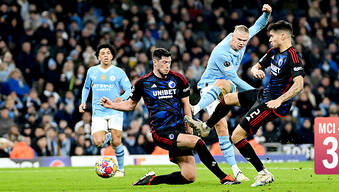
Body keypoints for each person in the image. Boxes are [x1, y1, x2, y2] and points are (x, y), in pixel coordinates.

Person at [186, 20, 305, 187]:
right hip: (264, 94)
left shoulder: (293, 56)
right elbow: (256, 66)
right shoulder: (273, 51)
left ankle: (263, 173)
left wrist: (279, 100)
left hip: (273, 104)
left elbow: (299, 85)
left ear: (283, 36)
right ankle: (206, 127)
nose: (269, 39)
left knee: (236, 136)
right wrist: (256, 70)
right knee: (227, 99)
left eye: (272, 36)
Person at [101, 48, 239, 185]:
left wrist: (189, 125)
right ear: (155, 62)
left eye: (169, 62)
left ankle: (152, 180)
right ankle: (224, 178)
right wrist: (111, 105)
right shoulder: (143, 83)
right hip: (162, 132)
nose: (167, 66)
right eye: (164, 62)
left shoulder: (178, 79)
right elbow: (130, 105)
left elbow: (186, 104)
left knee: (189, 177)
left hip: (180, 129)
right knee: (198, 142)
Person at [187, 4, 272, 181]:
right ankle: (196, 109)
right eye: (239, 40)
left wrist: (266, 13)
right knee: (223, 118)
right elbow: (235, 80)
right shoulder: (220, 52)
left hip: (227, 88)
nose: (241, 43)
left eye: (244, 40)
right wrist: (256, 93)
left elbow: (259, 25)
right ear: (232, 37)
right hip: (210, 86)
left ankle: (236, 170)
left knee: (226, 127)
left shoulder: (244, 37)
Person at [79, 43, 132, 177]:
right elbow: (86, 87)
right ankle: (109, 135)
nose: (106, 55)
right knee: (97, 142)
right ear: (98, 57)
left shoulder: (119, 72)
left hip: (114, 110)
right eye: (102, 53)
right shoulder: (92, 71)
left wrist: (121, 98)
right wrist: (83, 102)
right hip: (98, 111)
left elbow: (129, 89)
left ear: (112, 56)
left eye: (108, 53)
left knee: (116, 142)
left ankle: (120, 169)